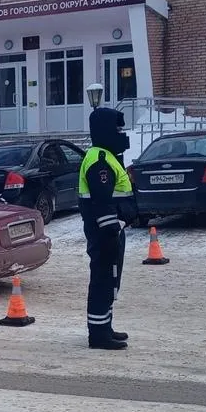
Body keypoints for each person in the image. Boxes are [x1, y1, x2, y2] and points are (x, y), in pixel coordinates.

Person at [78, 107, 137, 350]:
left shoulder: (106, 155)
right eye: (117, 129)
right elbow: (102, 203)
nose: (121, 134)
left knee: (110, 280)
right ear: (105, 130)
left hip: (112, 231)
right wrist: (111, 231)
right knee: (103, 280)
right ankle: (98, 335)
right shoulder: (99, 160)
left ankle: (105, 326)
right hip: (105, 234)